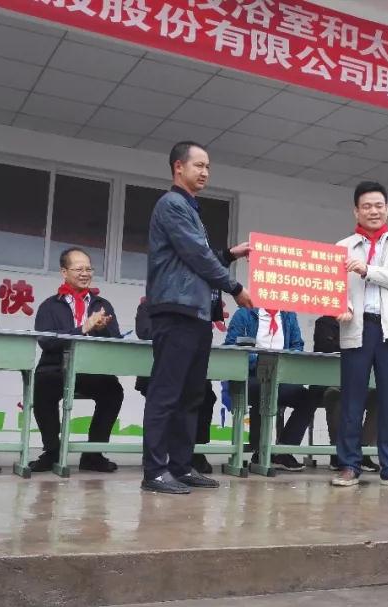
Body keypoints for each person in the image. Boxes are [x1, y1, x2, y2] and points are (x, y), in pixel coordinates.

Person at [142, 141, 253, 494]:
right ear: (179, 167)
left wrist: (229, 254)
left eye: (208, 167)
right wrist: (235, 287)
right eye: (199, 165)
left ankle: (181, 466)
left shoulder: (189, 207)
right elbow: (196, 256)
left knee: (192, 396)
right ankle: (154, 471)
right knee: (166, 394)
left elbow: (197, 255)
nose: (205, 172)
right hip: (176, 311)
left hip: (196, 314)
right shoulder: (172, 204)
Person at [332, 181, 388, 490]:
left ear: (387, 209)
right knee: (351, 401)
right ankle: (349, 465)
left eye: (379, 205)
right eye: (366, 206)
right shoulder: (342, 246)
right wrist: (340, 306)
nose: (373, 211)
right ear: (356, 211)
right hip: (357, 328)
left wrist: (367, 270)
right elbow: (335, 287)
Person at [30, 247, 124, 474]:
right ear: (64, 272)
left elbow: (116, 341)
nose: (85, 274)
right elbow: (46, 341)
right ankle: (52, 452)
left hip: (91, 369)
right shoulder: (50, 305)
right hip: (55, 369)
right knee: (43, 387)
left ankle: (93, 454)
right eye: (78, 269)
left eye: (88, 269)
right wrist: (83, 328)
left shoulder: (102, 304)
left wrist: (100, 329)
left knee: (113, 392)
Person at [134, 296, 217, 475]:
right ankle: (156, 459)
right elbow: (145, 332)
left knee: (206, 395)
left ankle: (193, 454)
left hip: (189, 371)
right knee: (166, 400)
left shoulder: (196, 307)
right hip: (159, 371)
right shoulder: (149, 305)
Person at [224, 306, 312, 472]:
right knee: (263, 389)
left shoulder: (288, 315)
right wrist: (261, 362)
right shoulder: (244, 314)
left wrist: (282, 365)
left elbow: (297, 346)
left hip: (279, 377)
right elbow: (231, 346)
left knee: (307, 398)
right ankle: (259, 451)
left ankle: (283, 452)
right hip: (250, 376)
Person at [307, 315, 380, 472]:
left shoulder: (364, 324)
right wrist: (353, 346)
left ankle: (363, 449)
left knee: (380, 398)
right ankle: (338, 452)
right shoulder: (325, 322)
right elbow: (324, 347)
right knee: (336, 395)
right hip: (329, 381)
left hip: (361, 381)